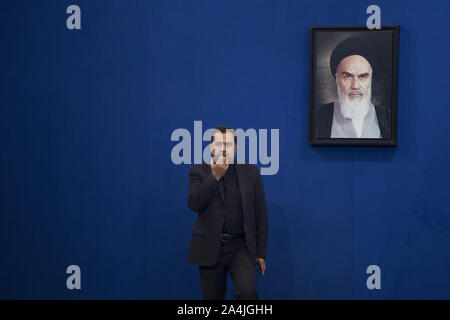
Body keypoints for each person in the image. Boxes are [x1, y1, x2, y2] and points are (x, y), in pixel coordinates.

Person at [187, 126, 268, 300]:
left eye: (228, 144)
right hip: (209, 246)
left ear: (236, 148)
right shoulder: (198, 172)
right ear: (211, 148)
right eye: (219, 144)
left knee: (247, 292)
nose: (224, 148)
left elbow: (261, 214)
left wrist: (261, 252)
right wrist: (214, 177)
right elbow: (194, 203)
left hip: (240, 247)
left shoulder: (251, 173)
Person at [317, 36, 389, 138]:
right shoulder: (318, 118)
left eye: (363, 76)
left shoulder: (388, 119)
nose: (355, 86)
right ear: (337, 79)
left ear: (371, 79)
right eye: (347, 76)